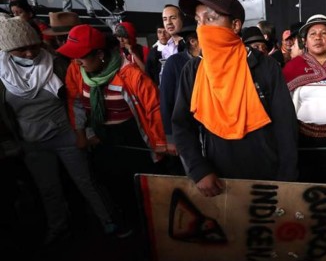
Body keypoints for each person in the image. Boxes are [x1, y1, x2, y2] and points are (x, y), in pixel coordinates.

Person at [172, 0, 305, 261]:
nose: (203, 27)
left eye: (212, 19)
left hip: (268, 173)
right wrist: (198, 170)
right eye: (199, 20)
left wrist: (286, 181)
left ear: (235, 26)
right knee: (223, 236)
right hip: (219, 176)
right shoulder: (193, 71)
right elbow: (181, 126)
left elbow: (286, 128)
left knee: (284, 237)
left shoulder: (264, 68)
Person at [0, 17, 124, 243]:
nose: (29, 54)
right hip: (32, 142)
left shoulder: (56, 62)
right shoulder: (2, 75)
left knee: (86, 181)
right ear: (7, 51)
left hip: (65, 134)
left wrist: (83, 132)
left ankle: (109, 220)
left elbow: (76, 99)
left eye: (33, 47)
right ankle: (58, 226)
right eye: (20, 50)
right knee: (48, 189)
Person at [58, 24, 168, 230]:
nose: (77, 62)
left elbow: (154, 108)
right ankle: (130, 226)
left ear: (99, 54)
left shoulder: (130, 74)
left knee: (142, 192)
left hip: (131, 138)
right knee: (114, 186)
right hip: (102, 138)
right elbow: (75, 101)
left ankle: (154, 231)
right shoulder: (77, 69)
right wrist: (81, 133)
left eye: (81, 57)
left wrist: (161, 141)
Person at [283, 14, 326, 184]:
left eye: (324, 33)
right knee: (307, 182)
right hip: (303, 139)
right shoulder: (293, 67)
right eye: (312, 34)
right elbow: (283, 106)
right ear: (305, 41)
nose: (318, 38)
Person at [159, 24, 200, 175]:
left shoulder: (210, 62)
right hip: (185, 131)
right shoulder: (174, 63)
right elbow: (166, 101)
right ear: (193, 41)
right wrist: (170, 138)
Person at [146, 5, 185, 85]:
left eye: (173, 18)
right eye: (165, 19)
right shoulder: (162, 50)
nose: (169, 22)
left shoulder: (190, 43)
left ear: (182, 19)